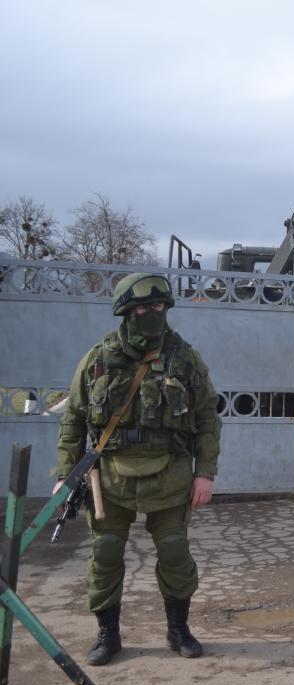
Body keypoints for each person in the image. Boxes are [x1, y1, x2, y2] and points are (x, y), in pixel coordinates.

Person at [54, 272, 221, 665]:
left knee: (175, 551)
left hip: (170, 474)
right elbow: (74, 418)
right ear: (126, 312)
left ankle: (178, 629)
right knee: (106, 553)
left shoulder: (184, 358)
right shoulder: (98, 359)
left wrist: (205, 473)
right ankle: (108, 634)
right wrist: (66, 474)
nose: (152, 314)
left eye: (159, 307)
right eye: (143, 308)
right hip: (108, 478)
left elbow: (208, 417)